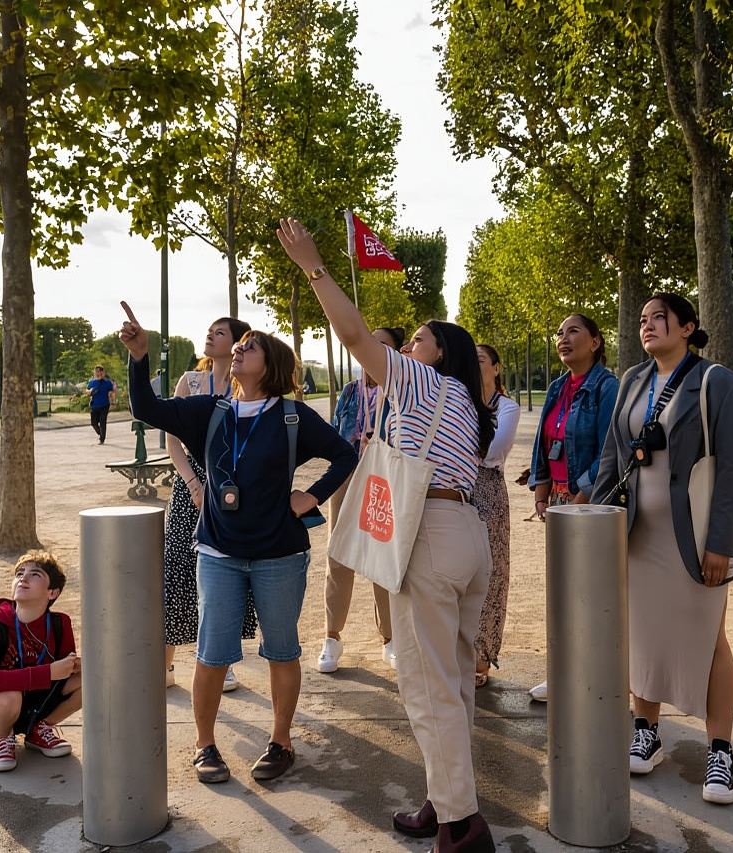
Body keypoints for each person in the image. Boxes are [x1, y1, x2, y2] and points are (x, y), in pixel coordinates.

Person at [277, 218, 498, 853]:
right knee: (452, 681)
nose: (408, 344)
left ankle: (461, 826)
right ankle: (444, 798)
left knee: (429, 690)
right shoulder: (464, 400)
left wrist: (314, 266)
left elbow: (351, 335)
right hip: (464, 533)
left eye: (420, 339)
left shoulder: (422, 383)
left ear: (436, 354)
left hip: (426, 535)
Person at [119, 306, 356, 784]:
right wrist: (139, 358)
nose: (241, 347)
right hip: (219, 553)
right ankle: (205, 745)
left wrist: (311, 495)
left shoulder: (292, 416)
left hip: (281, 555)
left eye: (251, 345)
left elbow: (344, 453)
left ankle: (281, 741)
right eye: (240, 342)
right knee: (212, 654)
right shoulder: (210, 410)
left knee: (282, 651)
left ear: (269, 365)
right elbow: (147, 410)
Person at [590, 293, 733, 806]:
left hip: (696, 538)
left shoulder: (718, 383)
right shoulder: (633, 381)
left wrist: (721, 542)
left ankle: (720, 751)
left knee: (711, 638)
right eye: (642, 319)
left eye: (659, 318)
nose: (647, 326)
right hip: (637, 534)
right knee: (643, 633)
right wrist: (596, 517)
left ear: (688, 327)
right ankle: (647, 730)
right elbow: (617, 454)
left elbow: (731, 469)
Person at [163, 319, 259, 693]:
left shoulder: (245, 388)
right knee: (178, 569)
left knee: (226, 572)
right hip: (191, 483)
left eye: (220, 332)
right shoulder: (190, 382)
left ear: (237, 343)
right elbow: (172, 441)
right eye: (209, 330)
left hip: (232, 486)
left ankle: (223, 661)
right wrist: (193, 483)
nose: (210, 335)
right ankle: (166, 663)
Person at [526, 313, 618, 702]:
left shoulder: (606, 387)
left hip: (591, 505)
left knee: (591, 594)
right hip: (562, 503)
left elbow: (612, 448)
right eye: (560, 333)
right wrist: (542, 492)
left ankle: (596, 679)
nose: (563, 338)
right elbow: (543, 444)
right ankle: (564, 673)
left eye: (574, 331)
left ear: (596, 342)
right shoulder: (557, 387)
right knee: (563, 591)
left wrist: (581, 495)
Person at [318, 325, 405, 675]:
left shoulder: (400, 391)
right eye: (369, 341)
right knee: (338, 555)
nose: (371, 349)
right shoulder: (351, 391)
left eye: (381, 345)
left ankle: (389, 638)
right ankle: (332, 637)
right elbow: (337, 434)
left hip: (384, 479)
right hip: (347, 477)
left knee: (382, 558)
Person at [0, 551, 81, 773]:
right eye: (20, 573)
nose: (23, 578)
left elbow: (63, 675)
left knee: (94, 678)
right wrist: (48, 672)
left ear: (52, 592)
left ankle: (41, 729)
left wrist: (75, 666)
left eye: (35, 574)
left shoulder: (60, 623)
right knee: (9, 694)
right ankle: (1, 738)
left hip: (37, 703)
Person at [471, 344, 520, 689]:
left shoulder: (508, 407)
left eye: (481, 360)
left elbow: (493, 452)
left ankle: (481, 655)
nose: (475, 366)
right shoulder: (460, 401)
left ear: (497, 368)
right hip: (456, 490)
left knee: (492, 574)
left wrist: (458, 448)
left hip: (488, 492)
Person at [84, 364, 116, 444]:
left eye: (100, 372)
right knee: (93, 423)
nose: (99, 374)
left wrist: (113, 401)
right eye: (97, 372)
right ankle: (100, 433)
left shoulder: (107, 383)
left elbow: (112, 392)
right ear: (94, 373)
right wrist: (90, 391)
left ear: (103, 373)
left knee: (102, 421)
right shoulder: (92, 382)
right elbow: (87, 391)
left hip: (104, 405)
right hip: (94, 405)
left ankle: (102, 439)